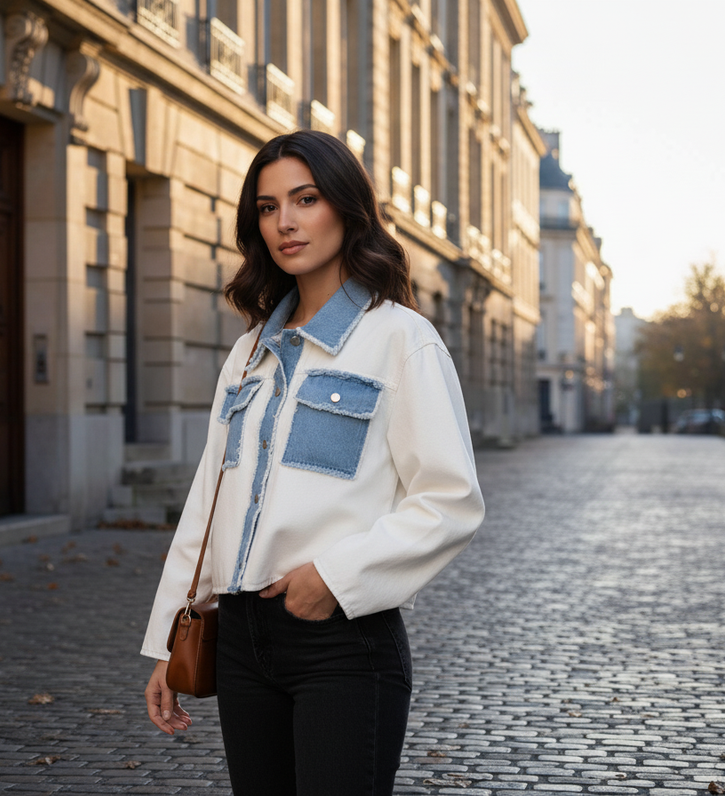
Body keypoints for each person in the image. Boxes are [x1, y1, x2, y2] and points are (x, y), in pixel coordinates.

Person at [142, 130, 484, 795]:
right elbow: (208, 501)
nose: (286, 222)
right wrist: (166, 638)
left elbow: (449, 500)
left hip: (342, 643)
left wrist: (334, 574)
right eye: (268, 208)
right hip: (240, 642)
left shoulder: (400, 338)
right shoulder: (247, 354)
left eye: (306, 199)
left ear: (347, 209)